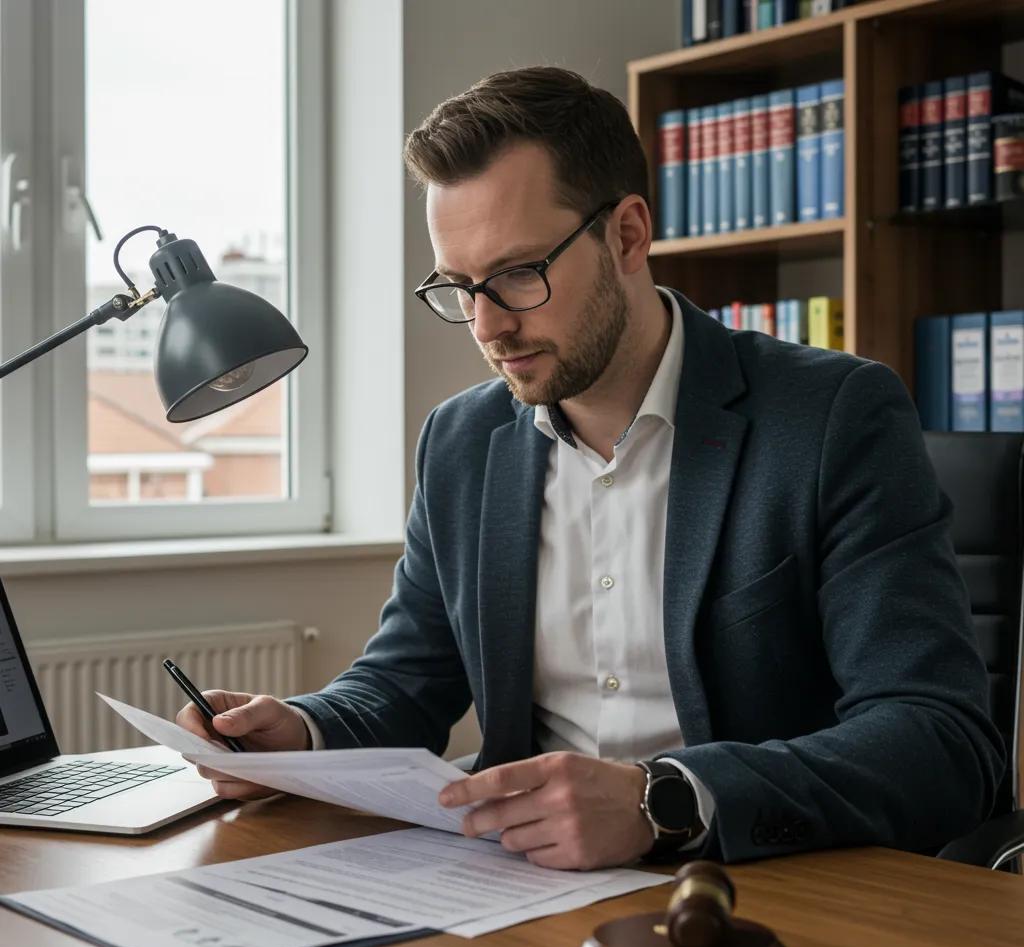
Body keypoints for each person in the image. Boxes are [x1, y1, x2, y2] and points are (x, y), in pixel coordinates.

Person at [177, 66, 1004, 870]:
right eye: (460, 288)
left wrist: (662, 801)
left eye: (517, 275)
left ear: (628, 234)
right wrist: (301, 732)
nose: (489, 325)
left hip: (757, 895)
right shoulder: (462, 443)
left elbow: (938, 739)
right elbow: (407, 683)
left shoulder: (831, 418)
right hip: (517, 892)